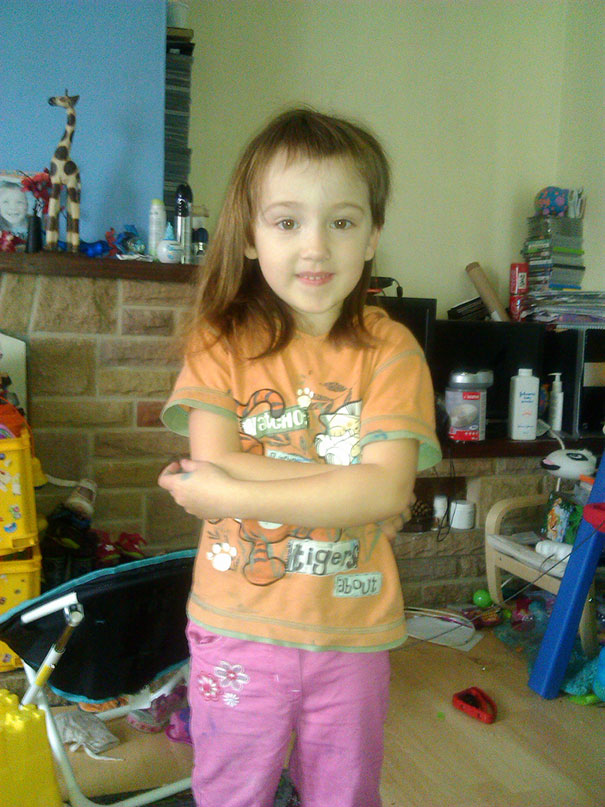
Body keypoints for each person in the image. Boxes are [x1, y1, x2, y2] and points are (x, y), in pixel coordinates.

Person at [159, 108, 441, 807]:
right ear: (250, 236)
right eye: (287, 222)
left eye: (341, 221)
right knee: (231, 791)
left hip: (352, 632)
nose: (315, 246)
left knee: (344, 794)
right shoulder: (219, 340)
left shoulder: (392, 350)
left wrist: (232, 494)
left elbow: (383, 492)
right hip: (236, 626)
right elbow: (216, 461)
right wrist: (358, 486)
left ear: (372, 235)